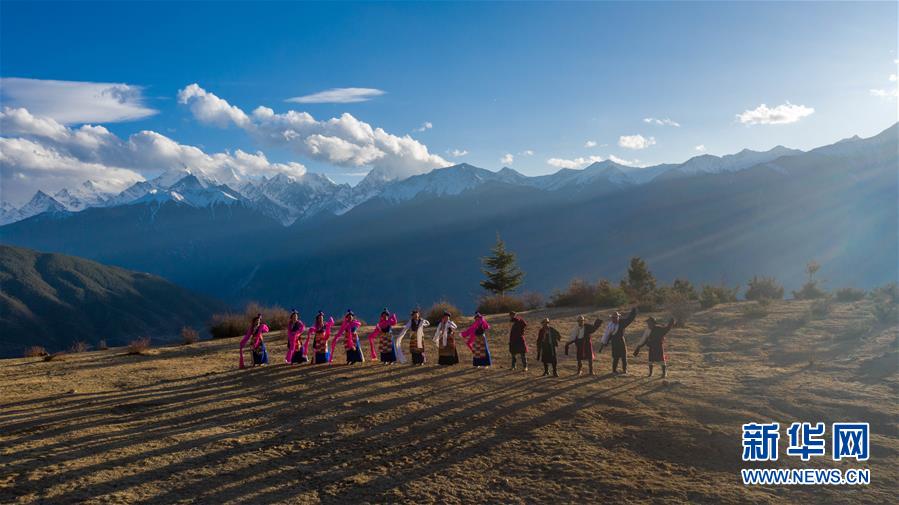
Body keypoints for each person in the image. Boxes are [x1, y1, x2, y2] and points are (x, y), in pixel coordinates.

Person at [598, 307, 638, 375]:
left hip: (621, 341)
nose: (615, 319)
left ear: (618, 317)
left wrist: (633, 312)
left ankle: (624, 370)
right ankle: (614, 371)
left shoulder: (622, 322)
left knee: (624, 356)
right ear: (612, 318)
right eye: (613, 317)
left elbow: (629, 319)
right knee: (615, 357)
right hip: (614, 342)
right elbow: (607, 335)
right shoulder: (610, 325)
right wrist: (603, 344)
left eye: (616, 317)